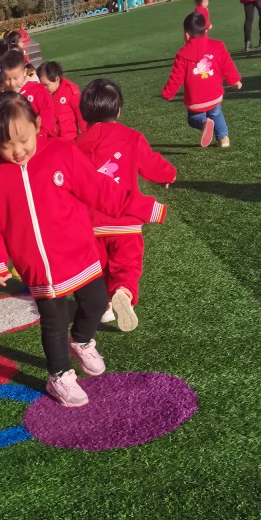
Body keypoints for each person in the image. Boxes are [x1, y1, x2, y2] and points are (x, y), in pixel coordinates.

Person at [0, 94, 167, 408]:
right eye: (6, 145)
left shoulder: (62, 153)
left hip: (81, 254)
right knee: (53, 321)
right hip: (40, 268)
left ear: (37, 124)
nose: (17, 151)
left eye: (23, 140)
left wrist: (144, 207)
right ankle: (59, 375)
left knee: (97, 303)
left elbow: (100, 190)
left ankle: (81, 340)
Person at [75, 78, 176, 333]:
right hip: (126, 222)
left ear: (84, 113)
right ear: (118, 110)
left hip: (90, 225)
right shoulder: (131, 137)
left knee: (98, 269)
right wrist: (169, 174)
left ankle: (106, 306)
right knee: (127, 267)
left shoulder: (75, 146)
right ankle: (124, 292)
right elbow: (153, 164)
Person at [161, 11, 242, 148]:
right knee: (216, 113)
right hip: (215, 95)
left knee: (194, 119)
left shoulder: (182, 54)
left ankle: (204, 124)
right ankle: (224, 138)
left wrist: (168, 93)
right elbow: (227, 65)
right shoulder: (218, 45)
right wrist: (235, 80)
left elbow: (176, 77)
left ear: (186, 34)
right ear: (206, 30)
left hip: (196, 101)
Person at [0, 48, 54, 133]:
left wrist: (42, 135)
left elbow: (48, 114)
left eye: (16, 78)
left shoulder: (37, 90)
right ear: (2, 75)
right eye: (7, 79)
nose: (12, 83)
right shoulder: (0, 96)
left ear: (24, 72)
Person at [37, 61, 84, 141]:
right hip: (52, 139)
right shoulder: (42, 94)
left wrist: (83, 133)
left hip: (70, 139)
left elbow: (81, 113)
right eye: (42, 85)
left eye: (46, 85)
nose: (44, 88)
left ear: (57, 79)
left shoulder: (70, 91)